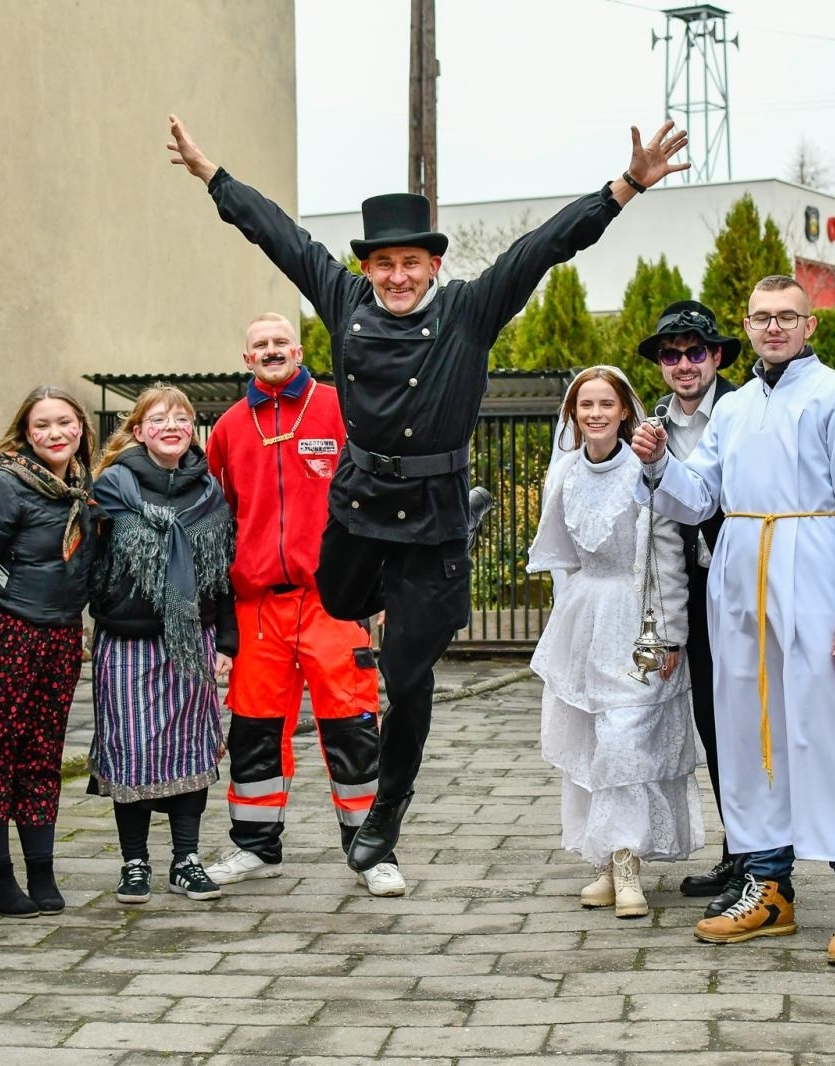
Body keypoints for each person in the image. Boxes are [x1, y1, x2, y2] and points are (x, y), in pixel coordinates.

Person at [167, 111, 691, 872]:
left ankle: (387, 812)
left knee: (407, 676)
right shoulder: (343, 302)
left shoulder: (469, 313)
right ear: (369, 269)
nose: (397, 276)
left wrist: (626, 188)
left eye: (410, 263)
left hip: (431, 519)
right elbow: (278, 234)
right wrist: (215, 177)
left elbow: (544, 246)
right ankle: (422, 576)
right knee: (342, 604)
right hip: (356, 509)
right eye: (384, 265)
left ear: (433, 266)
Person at [633, 276, 835, 966]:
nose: (774, 328)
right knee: (752, 731)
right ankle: (768, 884)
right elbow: (699, 498)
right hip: (742, 573)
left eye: (787, 317)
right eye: (761, 318)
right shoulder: (735, 407)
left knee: (831, 730)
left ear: (810, 325)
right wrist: (661, 464)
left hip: (816, 571)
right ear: (745, 329)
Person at [203, 313, 405, 898]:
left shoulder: (340, 408)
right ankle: (254, 846)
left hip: (335, 601)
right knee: (255, 732)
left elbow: (380, 499)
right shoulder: (229, 429)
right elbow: (218, 519)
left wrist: (386, 587)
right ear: (247, 359)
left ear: (298, 350)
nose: (270, 351)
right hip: (257, 603)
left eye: (279, 342)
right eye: (258, 344)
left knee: (354, 728)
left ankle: (373, 851)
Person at [528, 366, 699, 919]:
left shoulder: (644, 471)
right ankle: (604, 860)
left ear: (624, 410)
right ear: (573, 416)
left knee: (628, 740)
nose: (596, 414)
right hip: (586, 618)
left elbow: (666, 556)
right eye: (586, 406)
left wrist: (671, 633)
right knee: (593, 744)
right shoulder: (565, 476)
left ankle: (629, 867)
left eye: (606, 404)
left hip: (638, 617)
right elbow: (561, 556)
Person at [87, 385, 236, 906]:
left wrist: (228, 642)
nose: (170, 425)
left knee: (191, 747)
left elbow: (223, 577)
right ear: (138, 430)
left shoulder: (210, 494)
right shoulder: (110, 488)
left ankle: (186, 860)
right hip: (127, 643)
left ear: (192, 428)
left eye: (181, 417)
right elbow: (81, 558)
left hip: (194, 640)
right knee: (132, 751)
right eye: (158, 418)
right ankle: (134, 863)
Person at [0, 386, 98, 918]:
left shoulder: (80, 491)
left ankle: (41, 870)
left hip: (61, 636)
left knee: (43, 756)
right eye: (42, 425)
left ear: (81, 428)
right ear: (26, 431)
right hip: (9, 632)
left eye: (65, 423)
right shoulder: (3, 485)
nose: (55, 434)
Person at [639, 300, 738, 903]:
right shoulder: (654, 423)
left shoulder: (745, 408)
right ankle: (739, 852)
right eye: (671, 354)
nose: (683, 364)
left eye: (695, 351)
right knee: (711, 720)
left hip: (750, 578)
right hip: (696, 586)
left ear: (717, 356)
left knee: (751, 720)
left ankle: (764, 859)